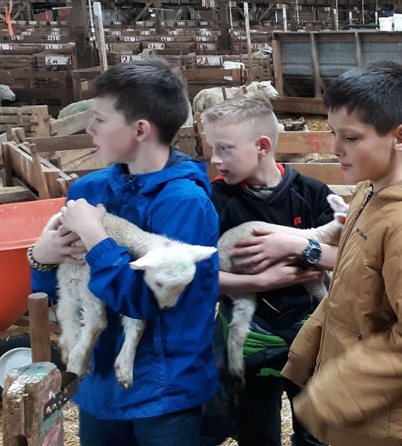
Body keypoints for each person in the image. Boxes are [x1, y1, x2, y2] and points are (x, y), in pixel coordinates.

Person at [281, 61, 402, 445]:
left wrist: (336, 392)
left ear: (401, 137)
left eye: (351, 138)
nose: (336, 148)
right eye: (333, 133)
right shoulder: (369, 193)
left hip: (377, 418)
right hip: (352, 404)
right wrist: (305, 358)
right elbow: (347, 293)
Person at [29, 58, 219, 445]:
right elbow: (61, 287)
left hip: (164, 389)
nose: (89, 128)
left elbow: (147, 301)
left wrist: (96, 239)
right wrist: (42, 259)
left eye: (100, 119)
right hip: (98, 387)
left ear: (140, 129)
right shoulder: (89, 191)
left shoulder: (185, 203)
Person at [199, 95, 335, 446]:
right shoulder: (214, 201)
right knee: (256, 432)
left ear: (262, 146)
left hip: (310, 334)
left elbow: (348, 257)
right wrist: (262, 281)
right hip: (248, 342)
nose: (215, 159)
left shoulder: (312, 193)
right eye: (212, 148)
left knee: (316, 430)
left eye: (225, 149)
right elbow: (198, 277)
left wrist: (297, 247)